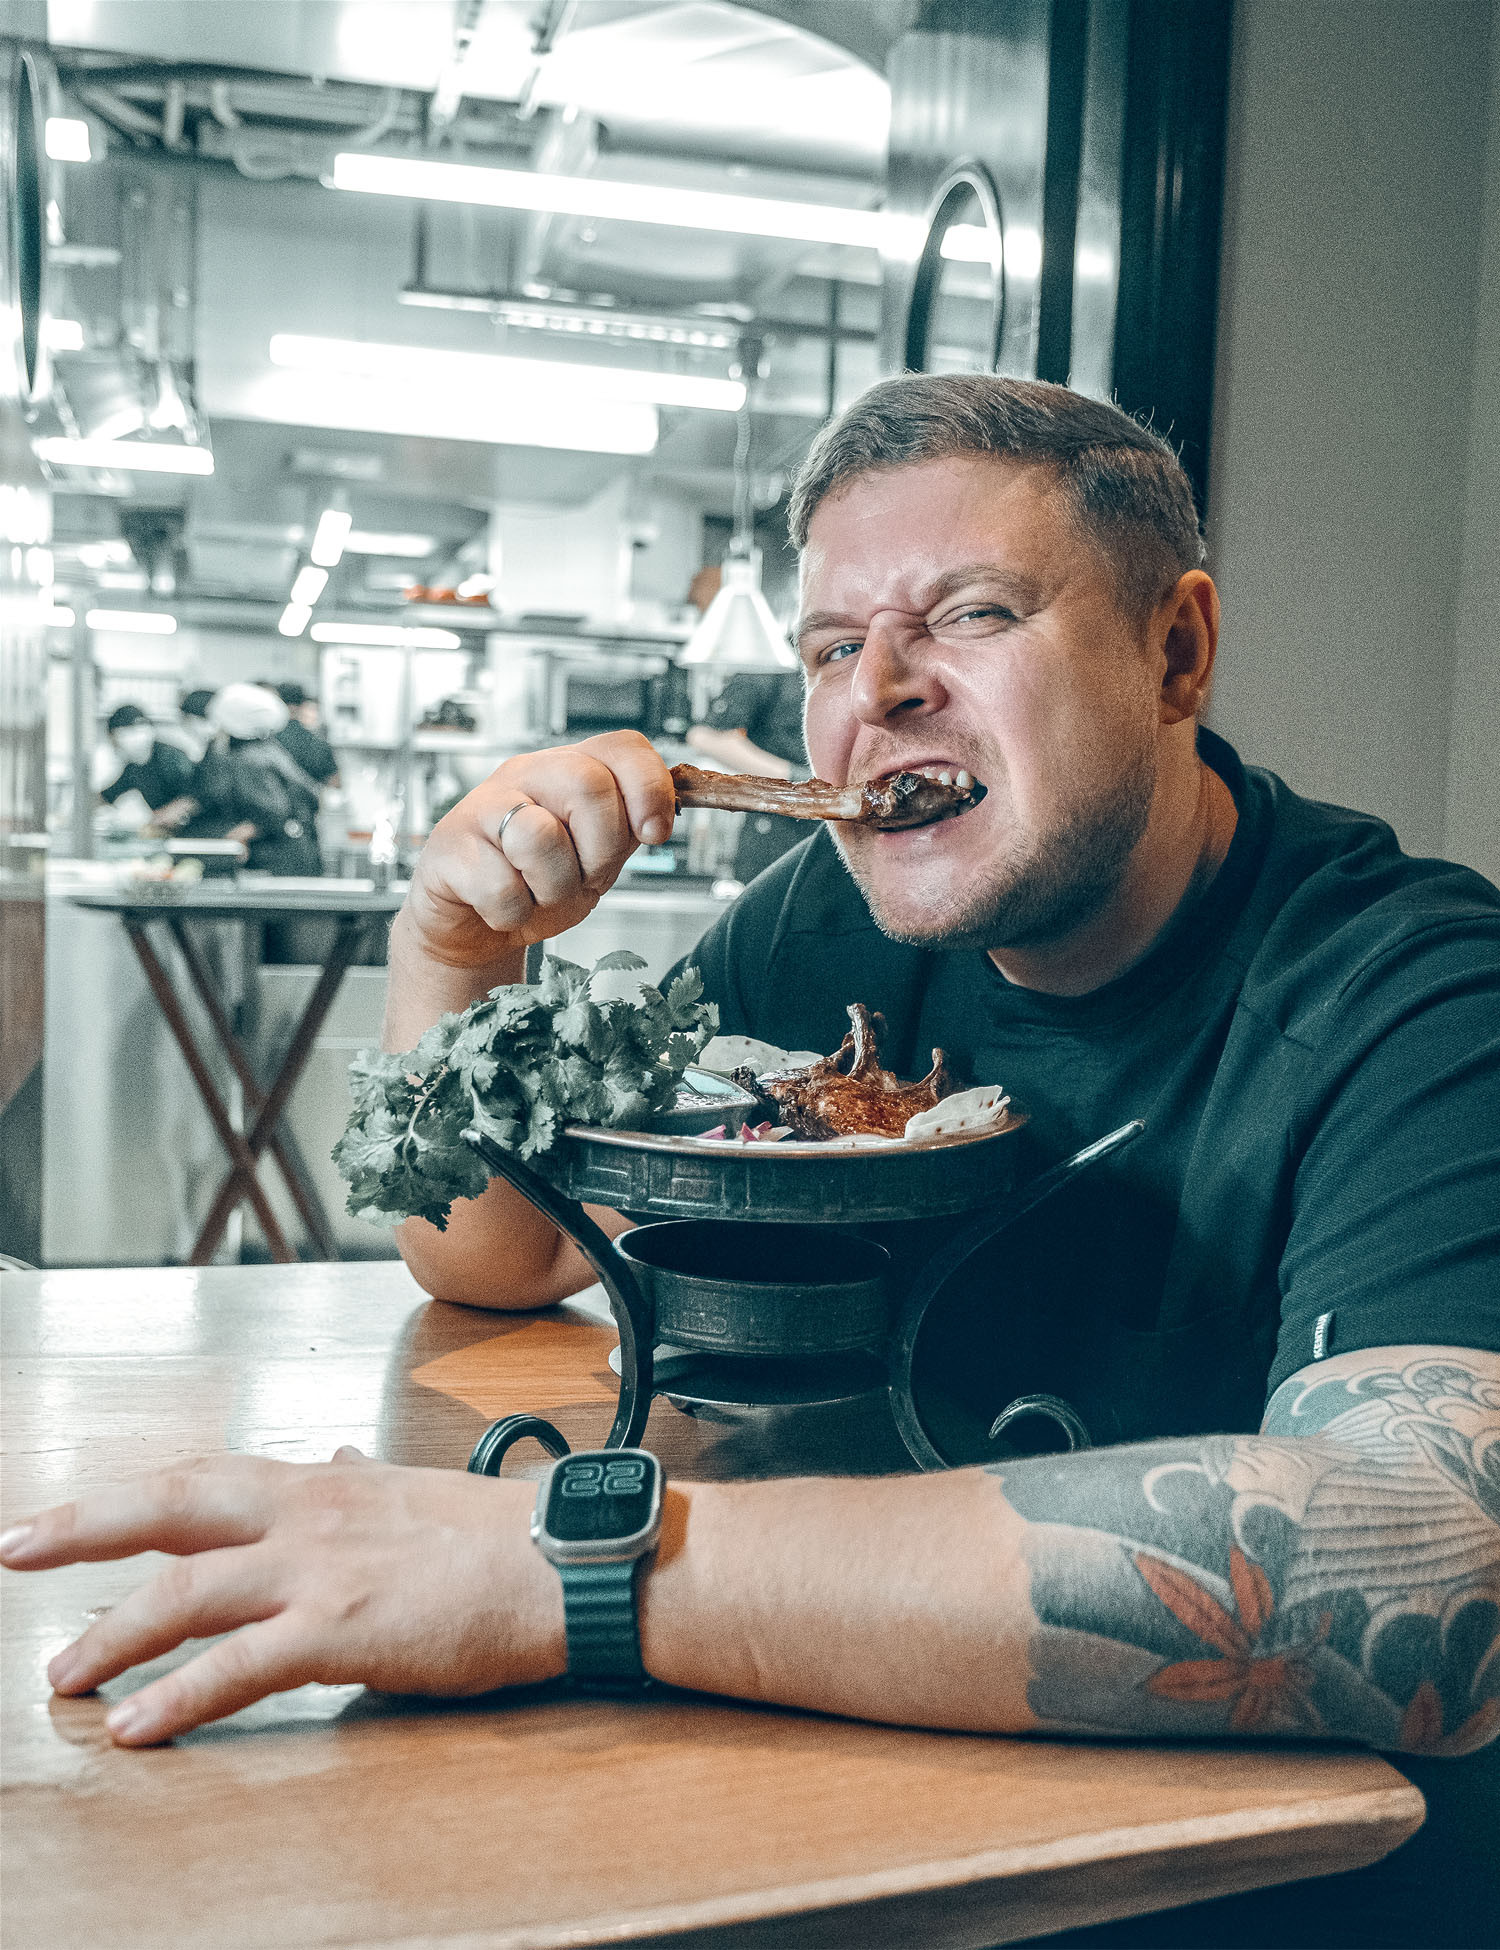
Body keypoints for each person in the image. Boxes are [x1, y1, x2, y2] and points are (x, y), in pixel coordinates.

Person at [5, 378, 1497, 1949]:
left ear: (1176, 649)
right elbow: (508, 1250)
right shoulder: (831, 924)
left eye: (972, 614)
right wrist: (453, 947)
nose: (883, 690)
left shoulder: (1417, 995)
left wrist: (568, 1564)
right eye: (833, 647)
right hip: (870, 1799)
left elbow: (1430, 1579)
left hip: (1263, 1887)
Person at [685, 669, 813, 883]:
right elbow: (705, 737)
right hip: (776, 831)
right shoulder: (772, 666)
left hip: (837, 830)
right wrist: (793, 777)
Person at [181, 682, 321, 876]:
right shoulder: (268, 750)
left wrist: (242, 833)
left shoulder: (248, 758)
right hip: (296, 854)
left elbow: (274, 812)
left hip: (279, 860)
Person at [98, 703, 197, 831]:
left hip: (195, 830)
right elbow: (107, 795)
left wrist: (164, 816)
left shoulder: (170, 758)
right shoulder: (135, 768)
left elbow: (195, 795)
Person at [273, 681, 340, 793]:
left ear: (276, 701)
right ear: (303, 704)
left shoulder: (267, 741)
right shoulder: (318, 744)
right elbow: (335, 783)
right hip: (309, 802)